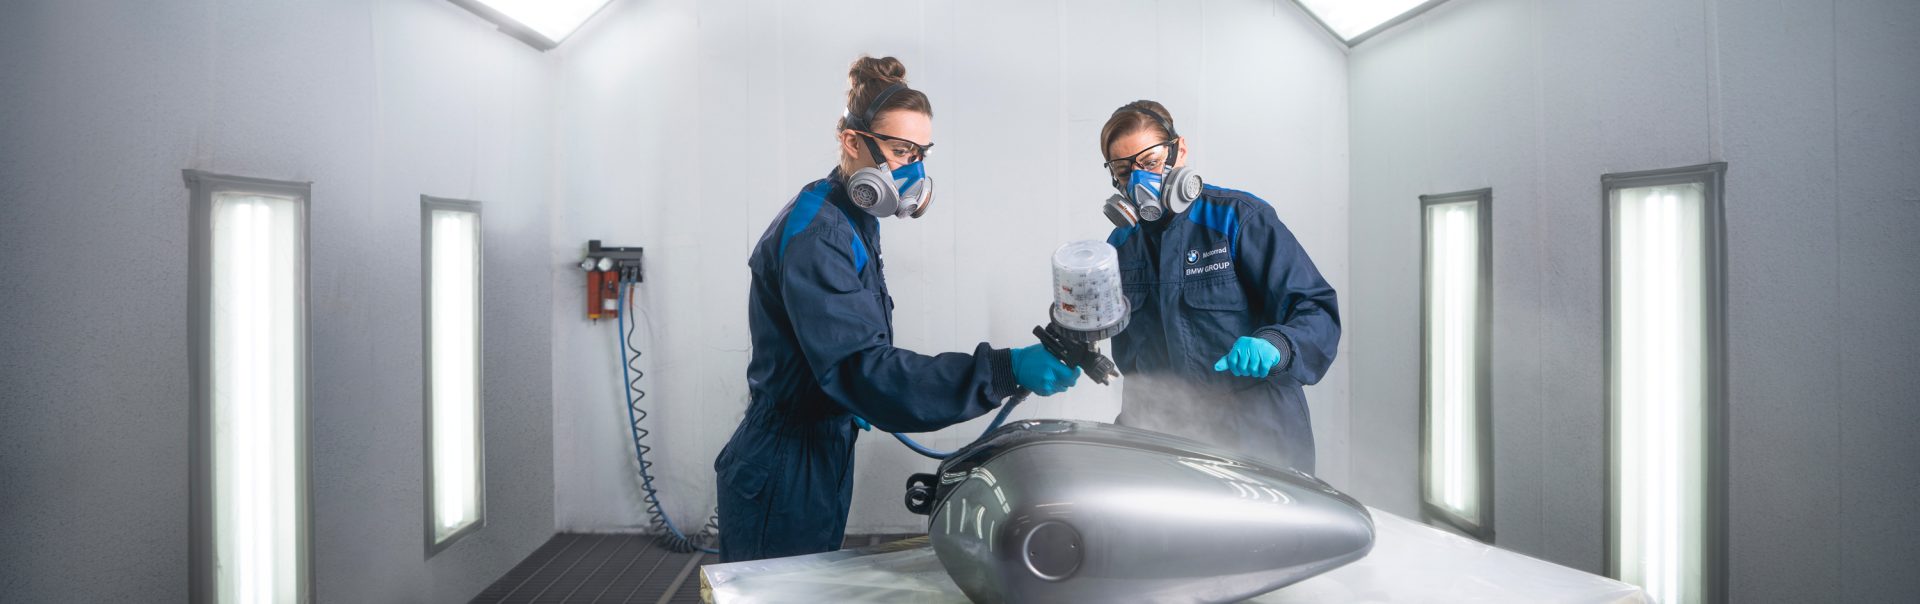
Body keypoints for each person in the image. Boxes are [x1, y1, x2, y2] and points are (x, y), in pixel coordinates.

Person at [714, 56, 1081, 563]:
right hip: (785, 461)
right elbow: (863, 367)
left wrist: (843, 399)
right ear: (852, 141)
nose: (914, 170)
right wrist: (1003, 368)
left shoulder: (850, 215)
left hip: (820, 444)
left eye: (921, 152)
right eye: (901, 150)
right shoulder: (819, 235)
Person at [1095, 100, 1340, 474]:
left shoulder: (1238, 219)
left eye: (1150, 162)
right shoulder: (1120, 245)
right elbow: (1128, 355)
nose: (1140, 179)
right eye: (1125, 170)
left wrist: (1276, 345)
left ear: (1179, 152)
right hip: (1164, 440)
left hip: (1258, 438)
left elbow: (1317, 309)